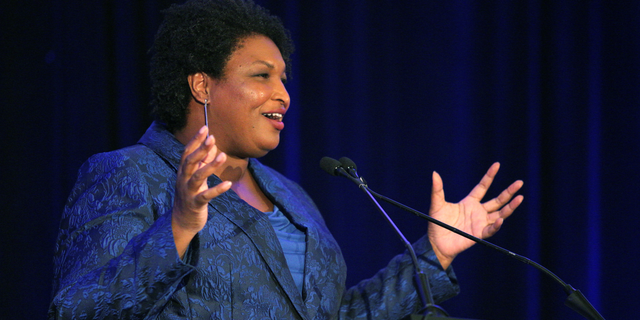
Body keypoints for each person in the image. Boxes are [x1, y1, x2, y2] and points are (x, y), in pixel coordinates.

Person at [49, 0, 524, 319]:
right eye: (262, 75)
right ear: (202, 85)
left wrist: (435, 251)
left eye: (282, 78)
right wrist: (178, 225)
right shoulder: (127, 173)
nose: (283, 95)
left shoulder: (292, 198)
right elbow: (77, 308)